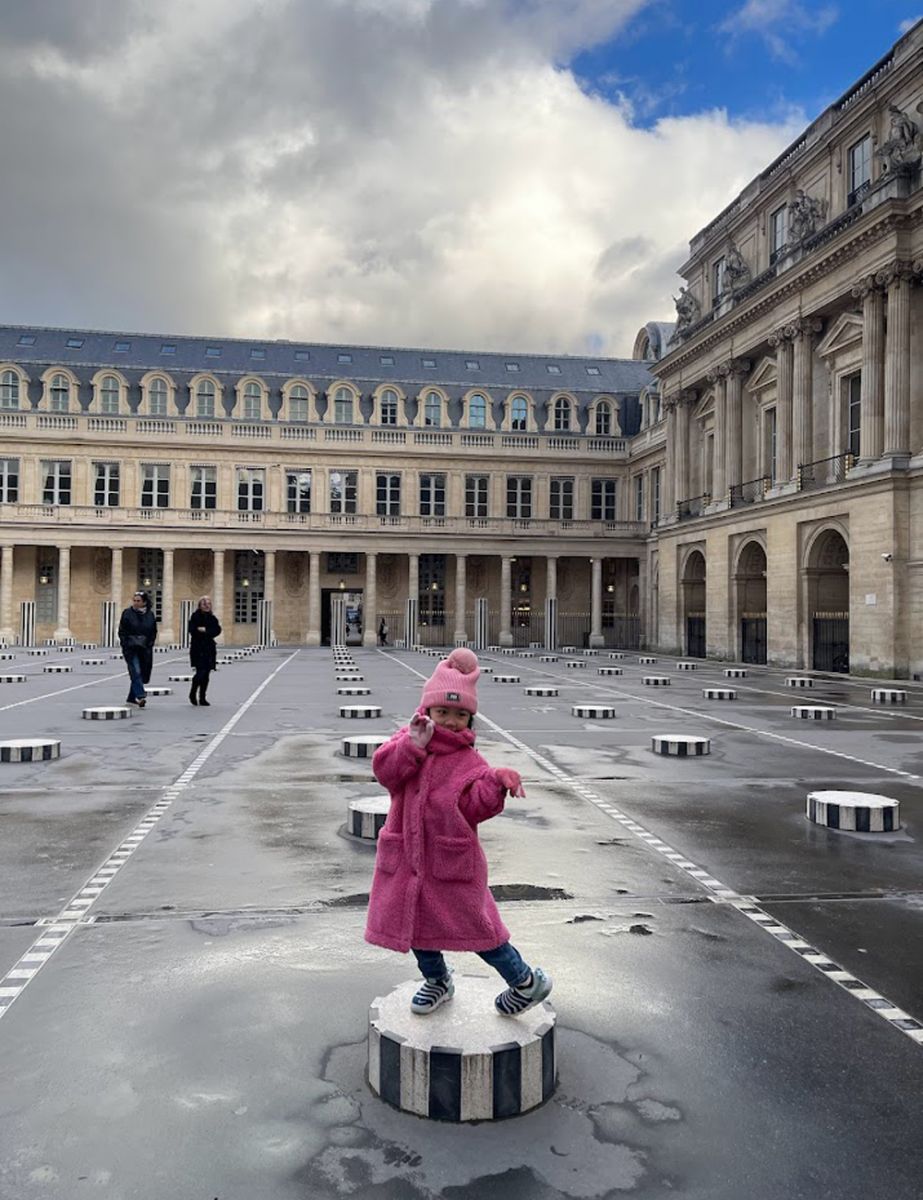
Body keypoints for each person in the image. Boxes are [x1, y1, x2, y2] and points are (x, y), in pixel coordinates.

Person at [365, 648, 553, 1017]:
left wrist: (496, 783)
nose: (451, 721)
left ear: (470, 718)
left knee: (480, 930)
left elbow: (474, 809)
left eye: (460, 714)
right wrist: (412, 747)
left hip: (450, 864)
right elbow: (385, 772)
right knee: (415, 925)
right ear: (427, 711)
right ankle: (437, 981)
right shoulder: (408, 738)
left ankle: (526, 982)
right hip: (407, 858)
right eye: (443, 712)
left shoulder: (470, 761)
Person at [118, 590, 157, 708]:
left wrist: (149, 643)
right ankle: (140, 695)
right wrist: (125, 643)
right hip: (131, 648)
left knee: (140, 673)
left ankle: (131, 699)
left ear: (144, 602)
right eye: (134, 600)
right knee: (136, 671)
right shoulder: (127, 613)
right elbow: (122, 631)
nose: (135, 603)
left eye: (138, 601)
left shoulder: (150, 615)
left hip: (144, 648)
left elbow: (153, 631)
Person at [187, 595, 221, 706]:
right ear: (200, 605)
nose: (207, 606)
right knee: (200, 672)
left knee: (206, 674)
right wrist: (205, 631)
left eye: (209, 604)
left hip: (209, 648)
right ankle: (193, 693)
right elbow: (192, 630)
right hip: (198, 648)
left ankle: (202, 697)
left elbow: (217, 630)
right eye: (204, 604)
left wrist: (205, 630)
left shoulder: (212, 618)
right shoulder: (195, 616)